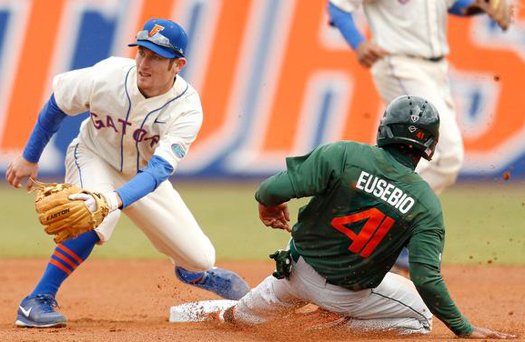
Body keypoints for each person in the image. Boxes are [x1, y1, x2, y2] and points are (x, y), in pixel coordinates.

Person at [6, 18, 250, 328]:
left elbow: (159, 170)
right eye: (142, 53)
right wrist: (30, 157)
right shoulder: (107, 76)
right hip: (93, 155)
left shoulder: (187, 108)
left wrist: (114, 199)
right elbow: (57, 103)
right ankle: (37, 300)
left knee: (201, 257)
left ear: (178, 65)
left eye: (157, 57)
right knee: (91, 213)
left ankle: (192, 272)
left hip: (144, 175)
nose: (145, 63)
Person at [211, 96, 514, 339]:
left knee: (236, 319)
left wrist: (267, 204)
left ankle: (223, 313)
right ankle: (326, 331)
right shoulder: (426, 203)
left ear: (384, 128)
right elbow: (425, 277)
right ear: (430, 147)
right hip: (349, 297)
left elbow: (272, 189)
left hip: (293, 275)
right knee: (420, 319)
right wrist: (463, 327)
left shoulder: (344, 154)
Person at [327, 0, 512, 272]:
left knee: (418, 158)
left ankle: (379, 231)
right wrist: (358, 42)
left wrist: (478, 6)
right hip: (399, 62)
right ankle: (368, 228)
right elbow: (337, 6)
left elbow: (448, 5)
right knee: (445, 157)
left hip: (436, 69)